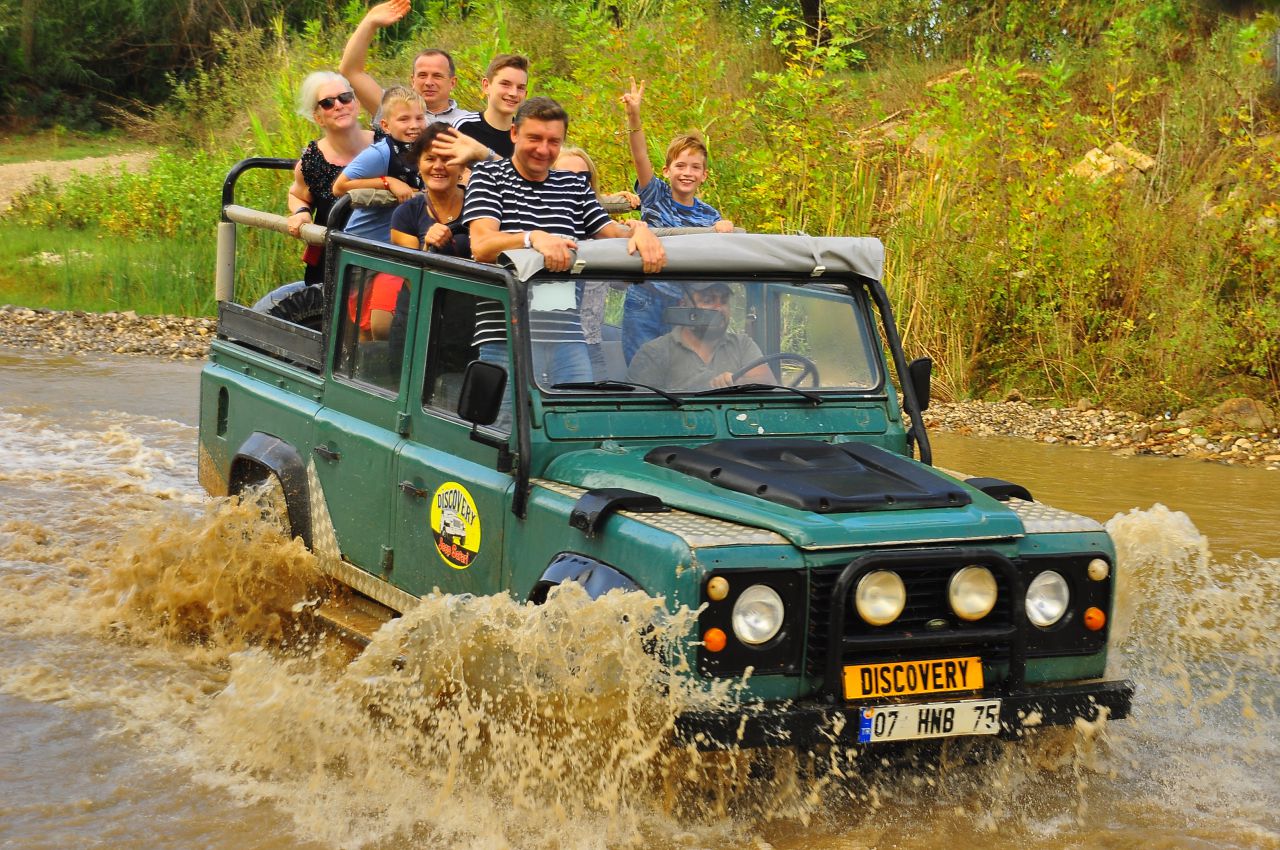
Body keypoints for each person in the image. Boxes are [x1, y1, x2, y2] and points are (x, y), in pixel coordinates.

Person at [461, 96, 666, 388]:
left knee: (575, 413)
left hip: (566, 333)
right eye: (534, 138)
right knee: (506, 414)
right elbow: (481, 245)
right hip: (506, 333)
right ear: (514, 133)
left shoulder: (573, 185)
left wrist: (641, 231)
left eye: (553, 141)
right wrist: (533, 238)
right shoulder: (488, 176)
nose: (543, 149)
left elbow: (612, 235)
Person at [619, 78, 734, 362]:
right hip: (647, 298)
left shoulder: (709, 214)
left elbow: (720, 252)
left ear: (704, 175)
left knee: (680, 367)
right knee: (642, 366)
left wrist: (724, 229)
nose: (687, 173)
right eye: (680, 166)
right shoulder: (655, 194)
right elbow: (640, 155)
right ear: (667, 170)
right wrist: (634, 115)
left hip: (685, 304)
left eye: (695, 167)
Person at [553, 146, 639, 380]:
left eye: (583, 178)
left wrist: (635, 233)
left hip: (591, 342)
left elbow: (622, 283)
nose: (576, 184)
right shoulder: (541, 223)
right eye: (564, 176)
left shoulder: (603, 231)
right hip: (547, 340)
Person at [284, 71, 376, 286]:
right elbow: (297, 194)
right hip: (331, 265)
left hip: (383, 256)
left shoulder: (385, 144)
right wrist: (301, 211)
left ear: (356, 104)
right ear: (318, 117)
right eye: (327, 103)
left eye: (345, 97)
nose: (339, 105)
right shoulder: (312, 160)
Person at [626, 282, 776, 392]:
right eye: (708, 301)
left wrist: (736, 383)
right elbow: (640, 413)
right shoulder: (654, 352)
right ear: (684, 306)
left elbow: (769, 384)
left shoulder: (742, 344)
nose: (719, 309)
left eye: (724, 301)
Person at [338, 0, 467, 125]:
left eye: (437, 76)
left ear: (452, 82)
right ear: (412, 80)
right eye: (422, 75)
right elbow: (350, 72)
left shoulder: (471, 122)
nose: (428, 82)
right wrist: (369, 22)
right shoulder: (393, 111)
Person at [332, 86, 427, 243]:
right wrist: (388, 182)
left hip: (404, 244)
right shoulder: (380, 153)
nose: (414, 125)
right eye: (404, 119)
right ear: (386, 126)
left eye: (419, 118)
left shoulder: (427, 151)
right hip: (363, 244)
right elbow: (339, 187)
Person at [390, 122, 469, 257]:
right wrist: (427, 247)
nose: (438, 166)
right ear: (419, 165)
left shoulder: (481, 204)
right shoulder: (406, 214)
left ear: (462, 166)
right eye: (430, 159)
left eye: (446, 159)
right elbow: (410, 267)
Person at [451, 54, 529, 160]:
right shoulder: (463, 126)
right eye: (505, 84)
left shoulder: (526, 136)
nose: (513, 93)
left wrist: (486, 154)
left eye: (520, 88)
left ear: (525, 94)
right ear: (486, 86)